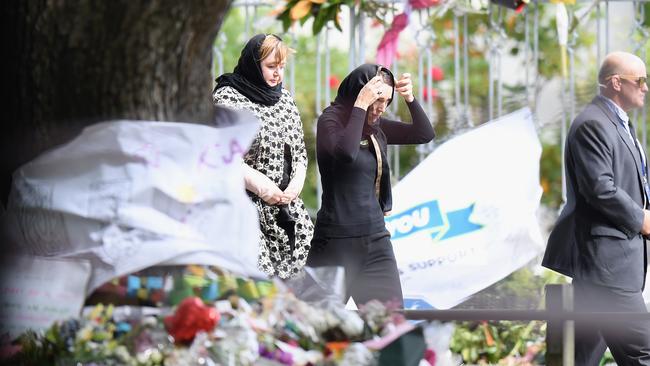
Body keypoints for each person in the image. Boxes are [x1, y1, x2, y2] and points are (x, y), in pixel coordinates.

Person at [543, 51, 650, 365]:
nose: (645, 87)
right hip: (608, 270)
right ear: (616, 83)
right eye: (640, 81)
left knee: (577, 358)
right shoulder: (594, 124)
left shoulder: (618, 125)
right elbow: (600, 189)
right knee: (643, 354)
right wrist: (641, 219)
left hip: (609, 268)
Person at [307, 64, 435, 307]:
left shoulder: (376, 128)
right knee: (313, 327)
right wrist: (361, 105)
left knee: (392, 327)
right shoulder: (329, 121)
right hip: (335, 244)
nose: (380, 108)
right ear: (359, 93)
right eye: (376, 99)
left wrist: (409, 98)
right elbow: (346, 153)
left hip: (376, 242)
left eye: (386, 101)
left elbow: (424, 134)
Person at [213, 34, 313, 279]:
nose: (277, 73)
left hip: (285, 208)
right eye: (271, 67)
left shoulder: (285, 99)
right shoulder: (227, 98)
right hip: (244, 208)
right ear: (253, 65)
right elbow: (220, 154)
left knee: (300, 288)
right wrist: (258, 183)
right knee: (259, 285)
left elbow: (299, 151)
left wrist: (296, 183)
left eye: (281, 67)